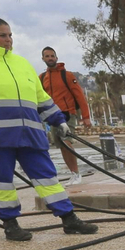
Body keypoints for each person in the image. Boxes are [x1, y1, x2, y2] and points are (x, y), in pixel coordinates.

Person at [0, 9, 96, 241]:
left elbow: (41, 98)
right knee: (2, 182)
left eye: (10, 35)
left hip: (30, 135)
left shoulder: (22, 64)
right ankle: (10, 224)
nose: (8, 40)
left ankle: (69, 219)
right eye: (2, 35)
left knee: (47, 177)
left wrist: (58, 120)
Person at [40, 47, 91, 184]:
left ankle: (77, 174)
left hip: (67, 113)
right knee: (61, 145)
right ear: (43, 59)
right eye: (47, 56)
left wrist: (86, 116)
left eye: (52, 56)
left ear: (56, 58)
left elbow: (79, 96)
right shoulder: (42, 78)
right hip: (52, 115)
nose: (50, 58)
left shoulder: (67, 75)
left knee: (66, 141)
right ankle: (73, 173)